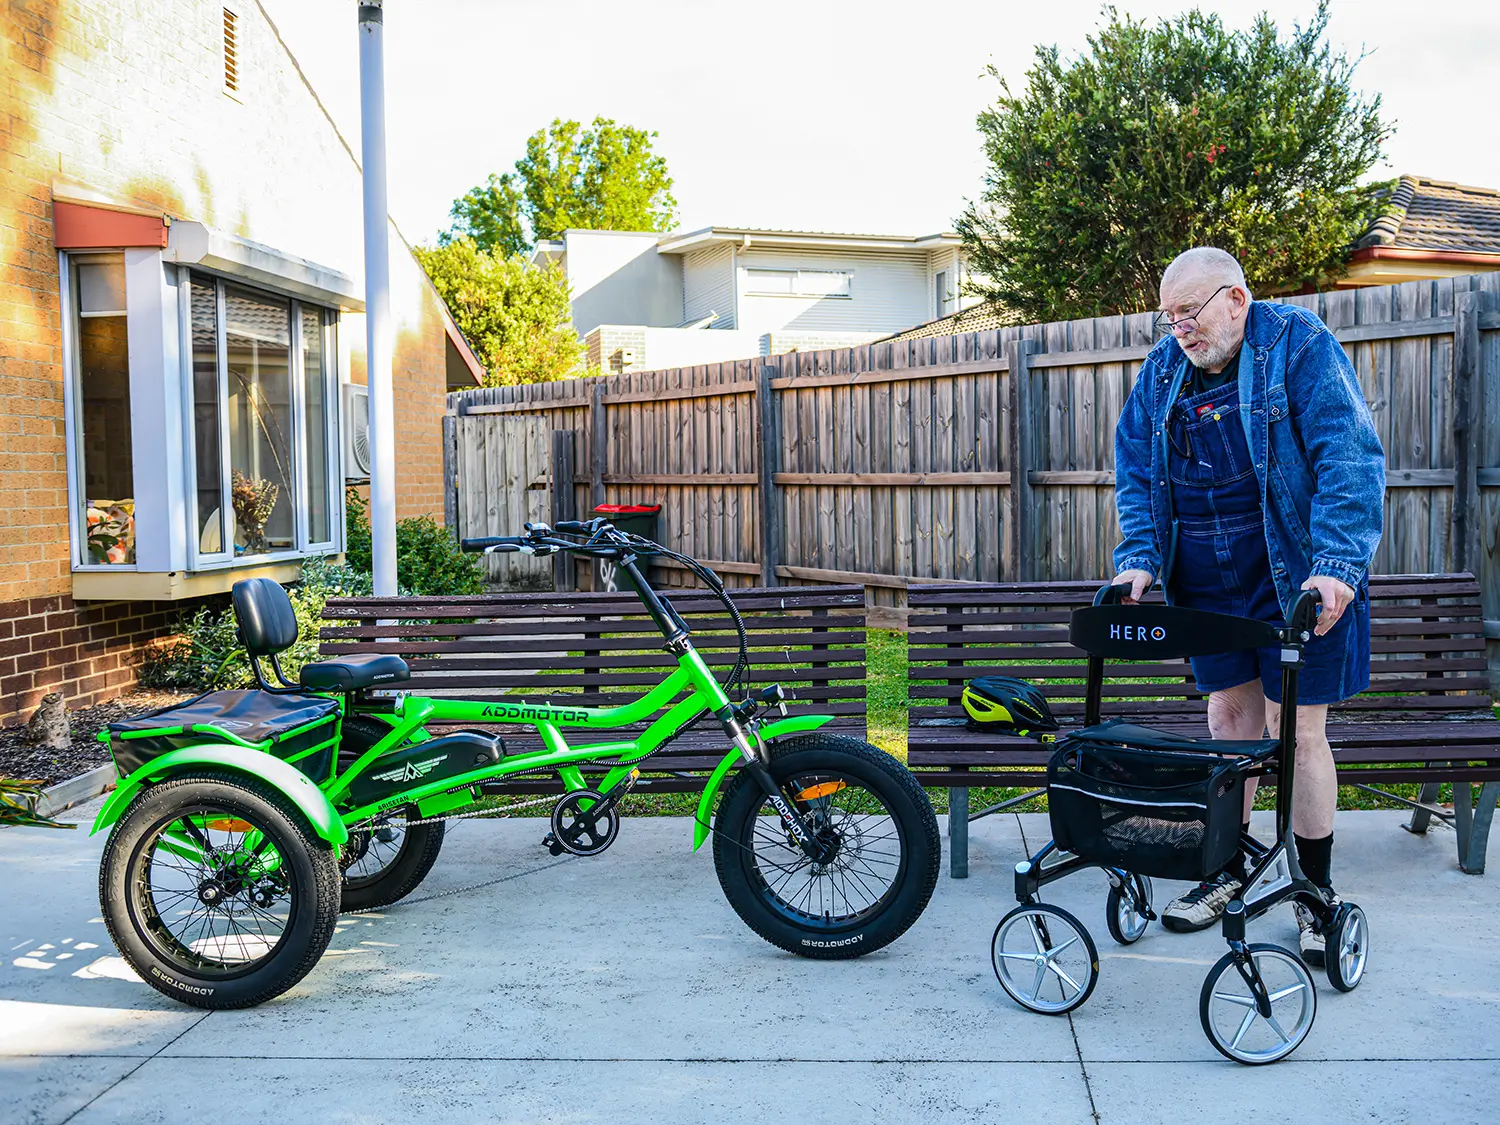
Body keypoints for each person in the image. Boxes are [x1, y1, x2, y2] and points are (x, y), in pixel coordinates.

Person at [1111, 247, 1385, 965]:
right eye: (1168, 318)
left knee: (1296, 733)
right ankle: (1228, 867)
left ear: (1235, 299)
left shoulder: (1297, 344)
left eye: (1189, 313)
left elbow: (1349, 455)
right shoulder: (1165, 370)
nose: (1179, 331)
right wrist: (1139, 556)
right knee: (1229, 722)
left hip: (1293, 570)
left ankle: (1313, 893)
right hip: (1206, 573)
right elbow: (1136, 466)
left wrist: (1335, 567)